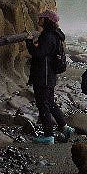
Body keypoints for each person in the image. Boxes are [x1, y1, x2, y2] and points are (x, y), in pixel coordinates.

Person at [26, 10, 73, 144]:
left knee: (43, 104)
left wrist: (29, 43)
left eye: (41, 18)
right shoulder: (55, 35)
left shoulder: (47, 36)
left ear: (46, 20)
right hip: (50, 75)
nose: (38, 20)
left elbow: (39, 54)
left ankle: (48, 135)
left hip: (43, 75)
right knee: (50, 102)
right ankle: (65, 127)